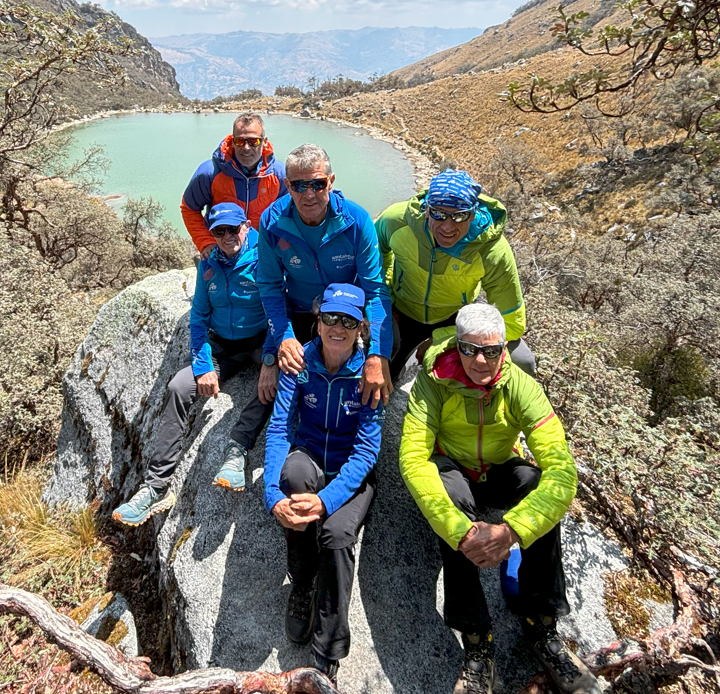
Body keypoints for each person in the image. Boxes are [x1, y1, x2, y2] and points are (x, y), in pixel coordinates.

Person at [399, 303, 598, 694]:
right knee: (450, 496)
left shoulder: (521, 386)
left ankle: (541, 624)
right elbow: (413, 458)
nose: (480, 359)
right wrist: (461, 532)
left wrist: (512, 531)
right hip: (453, 466)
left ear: (504, 350)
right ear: (456, 346)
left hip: (497, 467)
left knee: (534, 479)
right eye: (469, 349)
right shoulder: (433, 381)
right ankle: (477, 640)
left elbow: (561, 470)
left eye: (491, 350)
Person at [112, 204, 280, 526]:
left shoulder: (265, 259)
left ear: (246, 226)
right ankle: (155, 487)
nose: (228, 236)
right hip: (224, 347)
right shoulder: (209, 267)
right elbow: (199, 319)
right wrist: (203, 366)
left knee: (284, 374)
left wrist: (271, 359)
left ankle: (236, 450)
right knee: (178, 386)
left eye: (233, 229)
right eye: (220, 231)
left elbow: (277, 311)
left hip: (260, 342)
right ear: (212, 233)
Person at [263, 283, 383, 684]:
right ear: (317, 323)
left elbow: (367, 452)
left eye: (347, 320)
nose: (337, 327)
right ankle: (302, 582)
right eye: (330, 317)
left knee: (335, 535)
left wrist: (327, 501)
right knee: (294, 476)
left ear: (360, 328)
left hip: (352, 474)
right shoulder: (300, 365)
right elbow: (279, 427)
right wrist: (272, 494)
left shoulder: (368, 376)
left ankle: (326, 649)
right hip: (312, 457)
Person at [256, 143, 394, 409]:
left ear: (330, 182)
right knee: (276, 385)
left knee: (388, 348)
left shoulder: (356, 220)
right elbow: (270, 286)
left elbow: (375, 291)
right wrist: (282, 339)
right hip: (301, 312)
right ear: (287, 185)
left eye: (317, 184)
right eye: (299, 185)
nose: (309, 194)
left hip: (349, 313)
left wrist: (378, 355)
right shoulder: (271, 222)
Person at [376, 169, 536, 381]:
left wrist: (444, 338)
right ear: (426, 209)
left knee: (523, 361)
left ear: (472, 214)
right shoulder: (396, 221)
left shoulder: (491, 249)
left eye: (460, 216)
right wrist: (386, 299)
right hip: (402, 310)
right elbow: (376, 255)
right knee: (383, 374)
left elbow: (512, 323)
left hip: (455, 318)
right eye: (438, 214)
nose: (447, 227)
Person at [181, 111, 287, 257]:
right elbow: (189, 209)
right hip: (221, 250)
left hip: (262, 251)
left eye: (253, 141)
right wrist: (205, 242)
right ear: (232, 141)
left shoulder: (280, 176)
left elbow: (290, 214)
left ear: (264, 142)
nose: (246, 148)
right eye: (240, 141)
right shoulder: (209, 173)